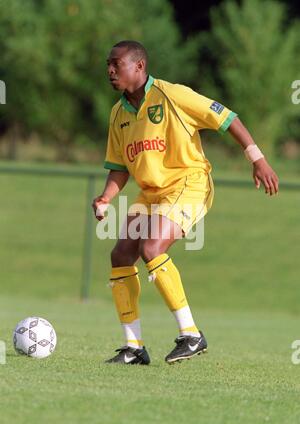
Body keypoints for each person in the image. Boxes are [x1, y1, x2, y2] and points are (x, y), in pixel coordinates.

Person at [92, 40, 279, 365]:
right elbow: (119, 168)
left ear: (139, 66)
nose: (110, 71)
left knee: (151, 249)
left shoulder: (172, 95)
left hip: (189, 182)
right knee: (121, 254)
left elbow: (226, 117)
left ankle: (191, 335)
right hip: (151, 193)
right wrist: (107, 197)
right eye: (108, 64)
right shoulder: (118, 113)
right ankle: (134, 347)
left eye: (116, 64)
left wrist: (257, 157)